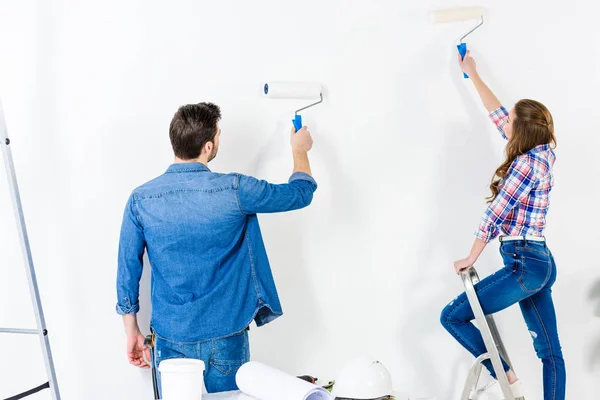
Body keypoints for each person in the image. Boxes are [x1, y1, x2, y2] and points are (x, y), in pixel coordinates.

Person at [115, 102, 317, 394]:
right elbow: (299, 194)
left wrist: (130, 330)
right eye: (219, 135)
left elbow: (127, 269)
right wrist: (300, 150)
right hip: (226, 336)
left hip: (172, 337)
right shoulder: (235, 189)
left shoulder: (141, 199)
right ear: (208, 146)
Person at [440, 51, 566, 400]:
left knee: (451, 316)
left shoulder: (525, 165)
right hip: (539, 260)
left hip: (524, 262)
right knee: (550, 354)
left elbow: (494, 214)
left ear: (521, 131)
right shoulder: (542, 151)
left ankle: (506, 376)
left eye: (510, 121)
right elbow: (497, 114)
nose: (504, 122)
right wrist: (473, 75)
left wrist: (471, 257)